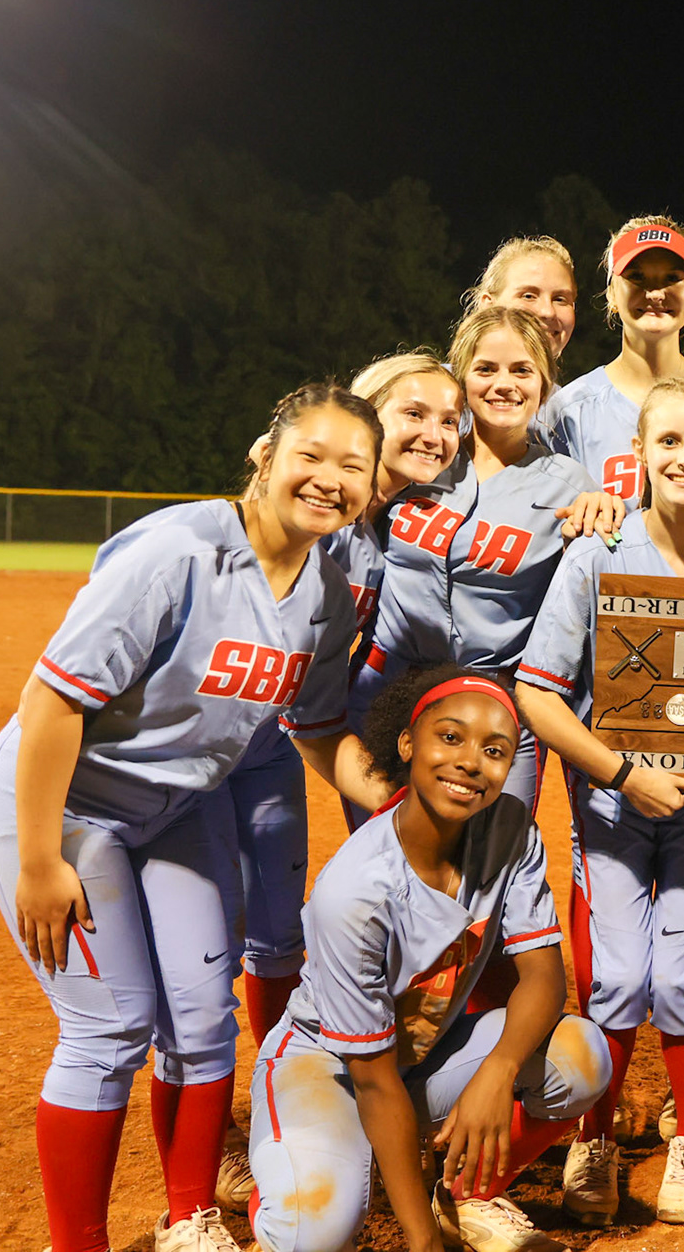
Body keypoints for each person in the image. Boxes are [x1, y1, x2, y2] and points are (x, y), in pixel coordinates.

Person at [0, 384, 385, 1252]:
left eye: (353, 466)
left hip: (177, 805)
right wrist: (43, 861)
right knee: (110, 1024)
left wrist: (396, 803)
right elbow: (52, 701)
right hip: (69, 801)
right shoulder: (180, 550)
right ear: (264, 456)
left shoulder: (326, 591)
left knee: (203, 1018)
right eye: (310, 455)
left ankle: (188, 1216)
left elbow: (317, 732)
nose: (328, 479)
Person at [514, 376, 684, 1227]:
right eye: (667, 441)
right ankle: (595, 1135)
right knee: (618, 978)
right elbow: (536, 691)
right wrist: (623, 772)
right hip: (613, 807)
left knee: (678, 973)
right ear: (637, 452)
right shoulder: (598, 550)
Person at [210, 350, 465, 1211]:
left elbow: (319, 694)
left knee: (277, 938)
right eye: (410, 414)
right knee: (206, 945)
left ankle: (269, 1102)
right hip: (209, 746)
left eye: (446, 419)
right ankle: (213, 1126)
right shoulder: (311, 512)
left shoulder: (397, 522)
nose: (432, 433)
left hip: (283, 740)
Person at [247, 664, 610, 1252]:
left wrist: (497, 1072)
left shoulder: (509, 828)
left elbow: (543, 978)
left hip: (424, 1056)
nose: (471, 761)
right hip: (331, 1066)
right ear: (408, 743)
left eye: (495, 750)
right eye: (451, 737)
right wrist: (423, 1246)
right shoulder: (354, 893)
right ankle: (312, 1171)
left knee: (579, 1057)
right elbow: (373, 1081)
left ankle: (459, 1194)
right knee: (312, 1229)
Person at [357, 307, 617, 815]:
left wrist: (612, 511)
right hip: (386, 692)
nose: (504, 384)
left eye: (522, 370)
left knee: (489, 869)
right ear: (462, 378)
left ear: (545, 382)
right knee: (386, 860)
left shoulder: (571, 485)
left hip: (496, 706)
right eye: (485, 369)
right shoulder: (425, 455)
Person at [536, 214, 684, 506]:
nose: (655, 293)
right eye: (637, 277)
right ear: (612, 295)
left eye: (672, 278)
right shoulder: (569, 410)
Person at [466, 234, 580, 360]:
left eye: (559, 299)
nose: (548, 312)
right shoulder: (444, 379)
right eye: (528, 296)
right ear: (488, 305)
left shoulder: (583, 380)